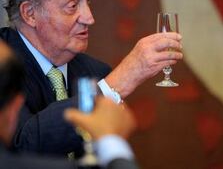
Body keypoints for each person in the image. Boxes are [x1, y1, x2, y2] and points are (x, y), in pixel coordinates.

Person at [1, 0, 183, 156]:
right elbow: (19, 146)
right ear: (30, 13)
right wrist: (115, 84)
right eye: (72, 6)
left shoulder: (95, 71)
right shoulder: (3, 67)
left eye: (88, 1)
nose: (89, 18)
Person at [0, 40, 138, 169]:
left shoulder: (97, 69)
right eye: (70, 11)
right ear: (30, 14)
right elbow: (21, 144)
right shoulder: (7, 62)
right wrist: (113, 145)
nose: (88, 19)